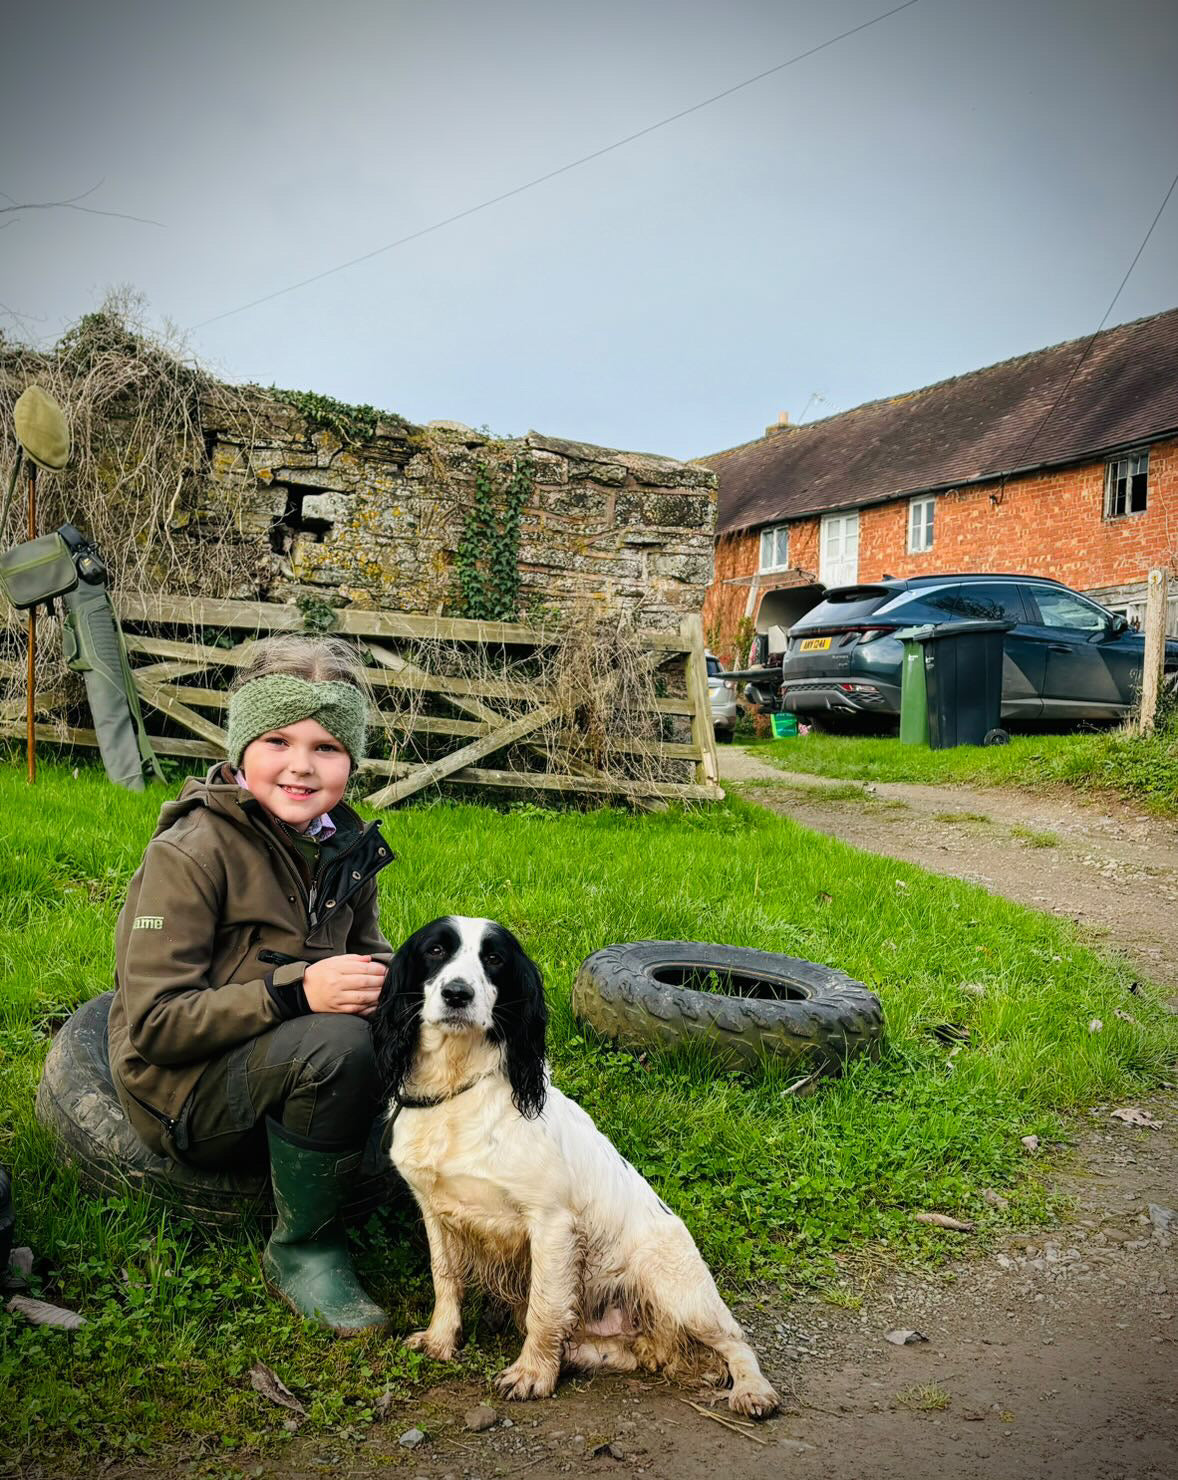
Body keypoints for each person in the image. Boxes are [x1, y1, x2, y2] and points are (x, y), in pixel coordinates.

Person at [107, 635, 396, 1336]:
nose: (301, 766)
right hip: (185, 1090)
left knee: (404, 1023)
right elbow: (156, 1024)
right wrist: (298, 992)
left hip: (284, 1050)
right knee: (337, 1044)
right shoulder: (191, 851)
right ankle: (303, 1250)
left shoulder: (343, 848)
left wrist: (396, 990)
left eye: (327, 748)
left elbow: (370, 957)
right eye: (277, 741)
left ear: (351, 762)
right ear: (241, 750)